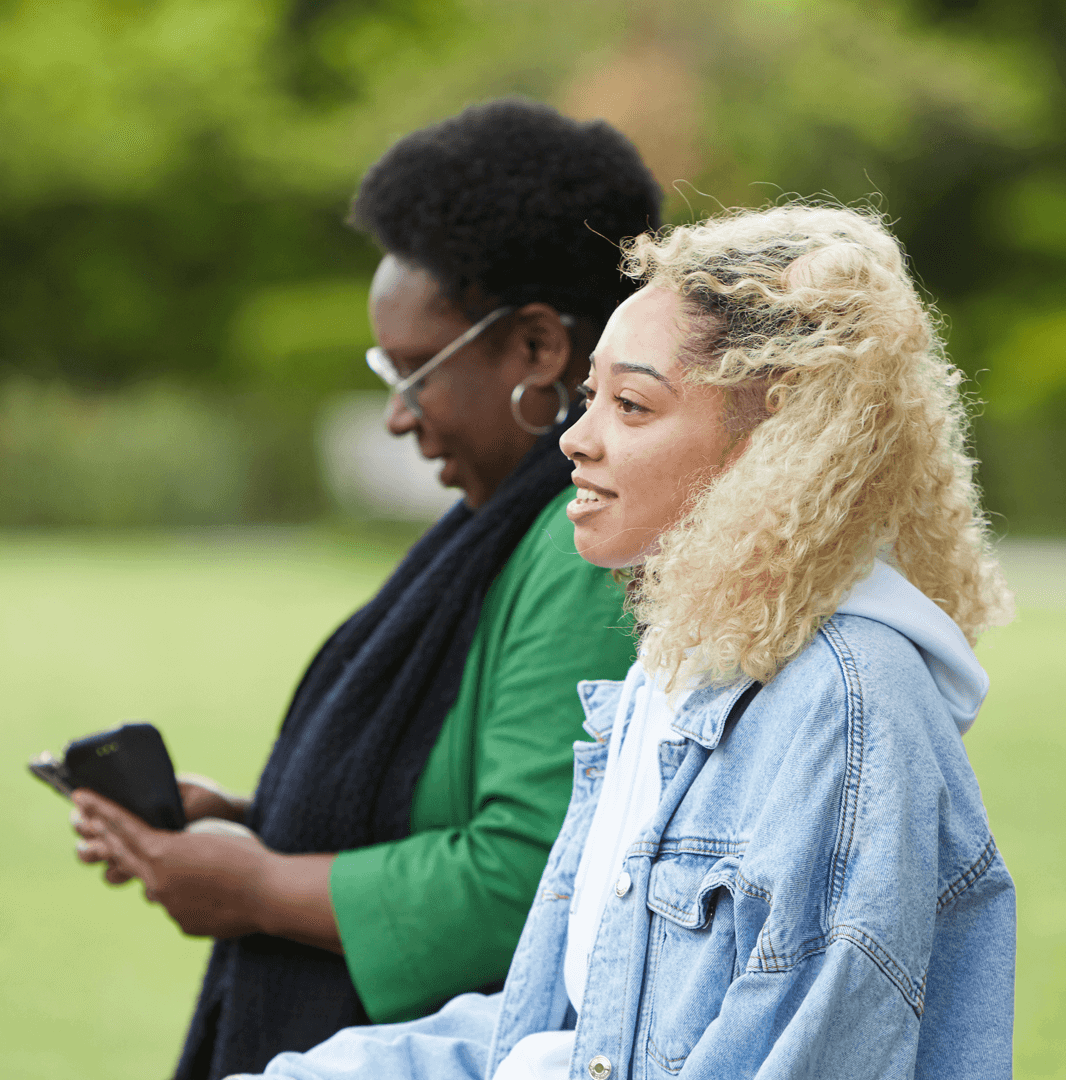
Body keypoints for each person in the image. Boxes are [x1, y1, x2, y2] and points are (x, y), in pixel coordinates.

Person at [228, 202, 1019, 1080]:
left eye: (633, 406)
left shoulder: (847, 707)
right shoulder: (680, 668)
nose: (576, 437)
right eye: (588, 396)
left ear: (779, 438)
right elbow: (583, 1026)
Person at [68, 99, 665, 1079]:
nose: (398, 416)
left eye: (413, 371)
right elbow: (435, 796)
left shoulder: (579, 547)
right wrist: (259, 825)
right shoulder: (495, 528)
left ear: (537, 350)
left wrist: (262, 887)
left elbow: (527, 881)